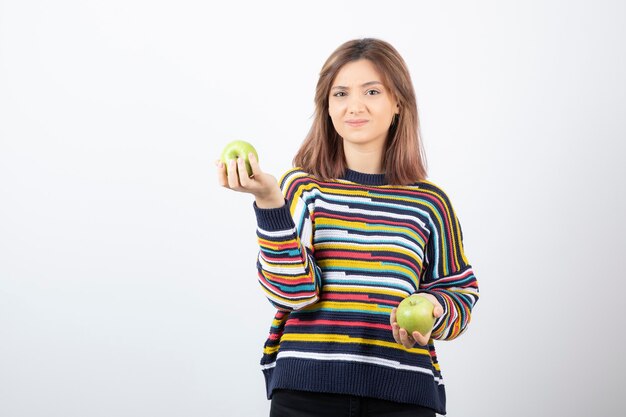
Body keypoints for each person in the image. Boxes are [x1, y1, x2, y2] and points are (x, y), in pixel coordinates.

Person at [216, 38, 479, 417]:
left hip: (402, 396)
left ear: (398, 103)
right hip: (306, 393)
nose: (354, 105)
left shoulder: (429, 202)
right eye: (340, 93)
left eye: (371, 91)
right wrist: (269, 202)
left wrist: (436, 307)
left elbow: (460, 290)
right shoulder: (302, 188)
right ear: (327, 107)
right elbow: (292, 295)